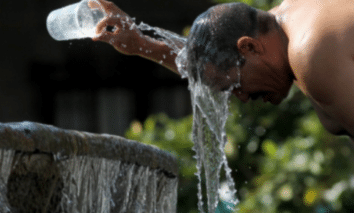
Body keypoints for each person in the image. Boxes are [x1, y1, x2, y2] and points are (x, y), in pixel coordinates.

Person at [91, 0, 354, 139]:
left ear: (249, 47)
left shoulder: (310, 54)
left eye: (234, 85)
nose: (240, 96)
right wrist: (143, 45)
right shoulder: (288, 19)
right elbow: (215, 61)